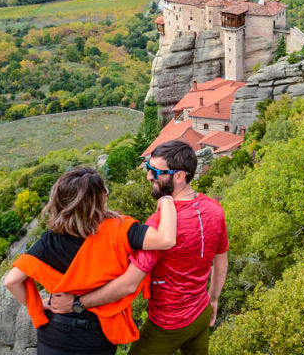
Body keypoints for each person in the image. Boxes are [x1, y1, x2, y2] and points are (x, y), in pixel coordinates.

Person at [50, 140, 229, 355]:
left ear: (180, 176)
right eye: (148, 168)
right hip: (201, 314)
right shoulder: (214, 208)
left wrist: (77, 303)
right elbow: (221, 262)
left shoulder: (158, 226)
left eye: (155, 171)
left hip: (167, 324)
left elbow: (129, 285)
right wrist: (213, 299)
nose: (148, 176)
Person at [3, 166, 177, 355]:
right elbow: (166, 240)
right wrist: (167, 200)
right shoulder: (121, 230)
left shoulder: (49, 239)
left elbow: (11, 281)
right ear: (100, 199)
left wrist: (37, 303)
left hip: (53, 334)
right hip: (94, 334)